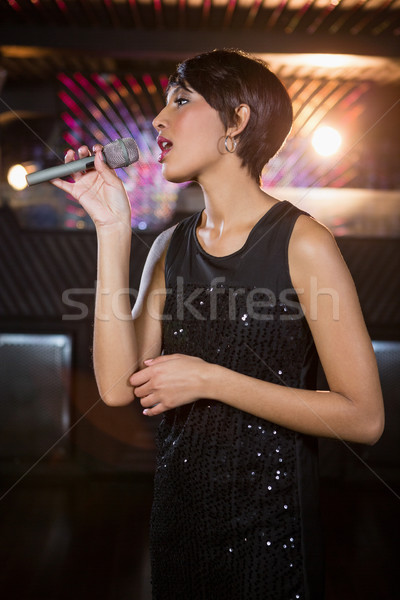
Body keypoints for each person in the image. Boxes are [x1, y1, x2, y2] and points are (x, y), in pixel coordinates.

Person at [52, 49, 384, 599]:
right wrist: (112, 227)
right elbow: (114, 387)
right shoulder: (169, 247)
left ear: (237, 121)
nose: (158, 120)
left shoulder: (304, 243)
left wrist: (212, 380)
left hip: (271, 541)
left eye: (180, 101)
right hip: (178, 527)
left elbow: (364, 417)